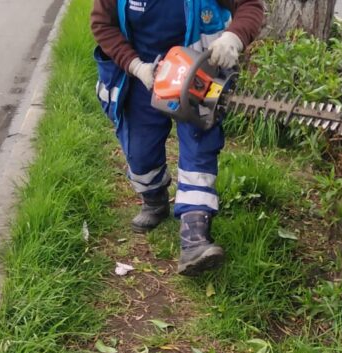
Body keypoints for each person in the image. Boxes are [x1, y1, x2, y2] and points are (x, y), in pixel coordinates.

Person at [91, 0, 263, 276]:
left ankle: (194, 236)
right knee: (140, 155)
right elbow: (102, 25)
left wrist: (233, 37)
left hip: (200, 73)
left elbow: (250, 6)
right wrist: (136, 66)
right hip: (145, 74)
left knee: (199, 148)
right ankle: (154, 199)